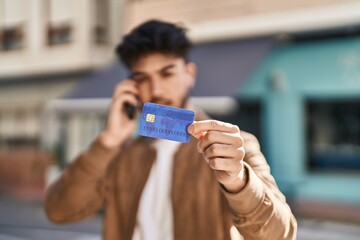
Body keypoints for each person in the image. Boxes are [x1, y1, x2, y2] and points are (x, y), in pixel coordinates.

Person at [44, 20, 297, 240]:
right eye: (142, 78)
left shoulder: (235, 146)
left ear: (189, 74)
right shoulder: (122, 155)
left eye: (166, 74)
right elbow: (59, 210)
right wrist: (108, 141)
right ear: (132, 85)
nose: (155, 89)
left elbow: (281, 235)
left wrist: (239, 181)